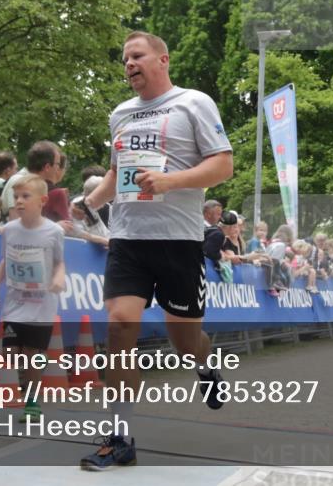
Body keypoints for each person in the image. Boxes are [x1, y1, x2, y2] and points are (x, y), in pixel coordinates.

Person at [80, 31, 233, 471]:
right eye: (124, 59)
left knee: (184, 343)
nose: (129, 63)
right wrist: (90, 202)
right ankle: (120, 438)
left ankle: (204, 364)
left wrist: (170, 181)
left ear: (162, 60)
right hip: (128, 239)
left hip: (178, 241)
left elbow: (223, 164)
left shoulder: (193, 102)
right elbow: (116, 172)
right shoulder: (120, 114)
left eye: (137, 55)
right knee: (120, 325)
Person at [0, 175, 66, 420]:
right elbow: (5, 260)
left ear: (42, 201)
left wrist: (59, 278)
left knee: (32, 354)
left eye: (25, 196)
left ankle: (31, 401)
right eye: (16, 196)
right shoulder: (8, 230)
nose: (19, 201)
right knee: (11, 353)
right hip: (15, 302)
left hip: (42, 304)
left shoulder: (54, 231)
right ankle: (29, 384)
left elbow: (60, 262)